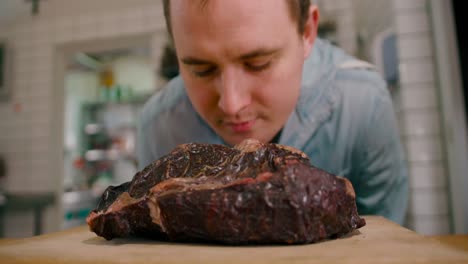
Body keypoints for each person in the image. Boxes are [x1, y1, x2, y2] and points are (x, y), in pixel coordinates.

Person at [137, 0, 408, 225]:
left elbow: (381, 243)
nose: (232, 104)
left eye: (258, 63)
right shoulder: (161, 127)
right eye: (201, 70)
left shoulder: (362, 104)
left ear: (307, 32)